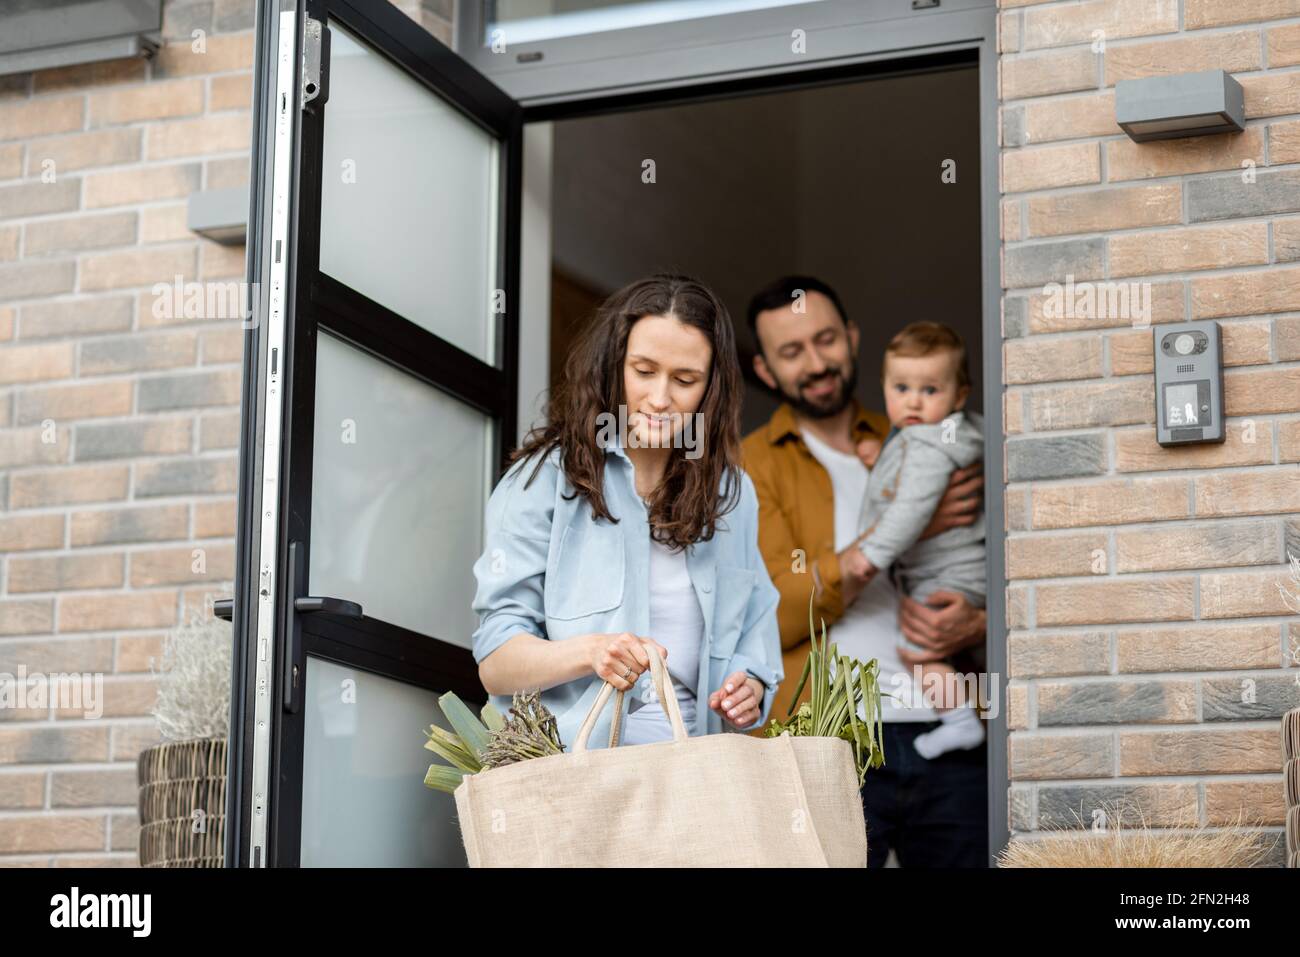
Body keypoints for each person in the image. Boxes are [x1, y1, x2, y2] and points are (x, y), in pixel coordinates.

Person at [470, 274, 783, 752]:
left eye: (685, 380)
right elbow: (496, 660)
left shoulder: (731, 495)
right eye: (643, 371)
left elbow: (755, 637)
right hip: (576, 779)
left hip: (698, 781)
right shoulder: (546, 479)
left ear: (712, 388)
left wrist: (751, 687)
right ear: (614, 366)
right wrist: (591, 652)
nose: (660, 399)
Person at [739, 274, 989, 868]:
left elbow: (997, 557)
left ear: (852, 338)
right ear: (766, 370)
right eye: (792, 351)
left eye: (825, 339)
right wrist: (900, 535)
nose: (817, 362)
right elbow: (768, 614)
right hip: (827, 740)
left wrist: (980, 623)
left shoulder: (921, 429)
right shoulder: (748, 464)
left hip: (949, 728)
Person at [849, 321, 987, 760]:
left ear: (958, 396)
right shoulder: (935, 434)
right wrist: (881, 456)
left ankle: (961, 723)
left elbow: (909, 510)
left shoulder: (928, 446)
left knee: (918, 652)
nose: (912, 400)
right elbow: (903, 472)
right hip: (960, 565)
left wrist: (869, 556)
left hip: (947, 571)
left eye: (930, 391)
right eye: (901, 387)